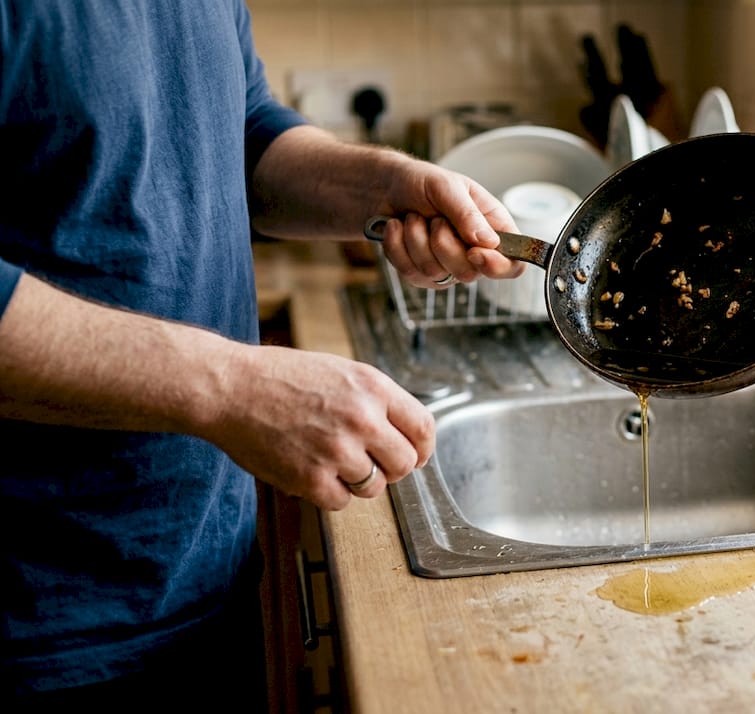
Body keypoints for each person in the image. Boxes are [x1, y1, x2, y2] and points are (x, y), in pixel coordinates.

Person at [0, 2, 523, 709]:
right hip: (39, 623)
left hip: (202, 572)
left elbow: (240, 132)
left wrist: (383, 186)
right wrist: (230, 389)